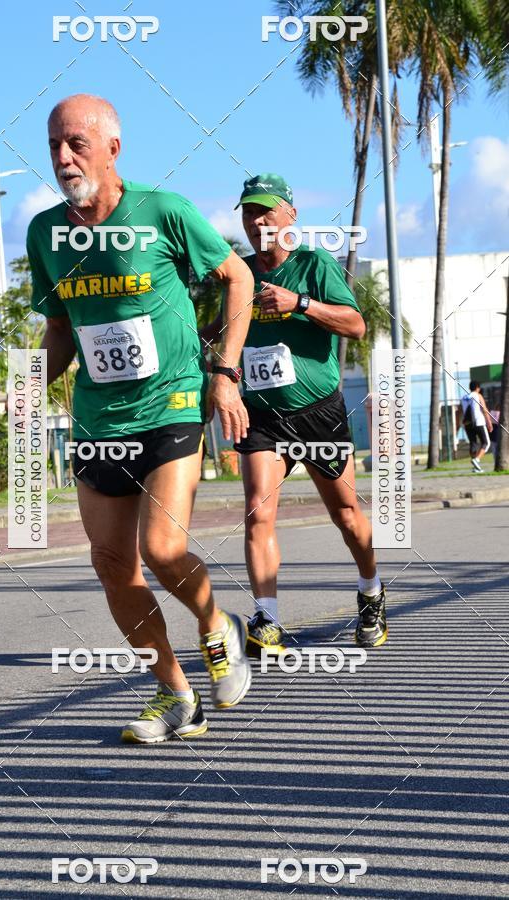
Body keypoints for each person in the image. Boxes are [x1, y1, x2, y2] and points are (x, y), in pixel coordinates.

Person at [27, 94, 254, 744]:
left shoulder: (162, 211)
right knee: (110, 562)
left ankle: (218, 626)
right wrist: (28, 389)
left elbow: (237, 277)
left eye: (76, 143)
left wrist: (225, 373)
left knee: (161, 549)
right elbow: (60, 330)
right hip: (100, 418)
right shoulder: (46, 233)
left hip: (172, 401)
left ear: (112, 148)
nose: (64, 157)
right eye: (54, 145)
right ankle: (176, 694)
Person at [201, 174, 387, 654]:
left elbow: (356, 325)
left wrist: (299, 303)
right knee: (257, 512)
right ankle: (268, 619)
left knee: (346, 515)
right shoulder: (240, 275)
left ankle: (371, 591)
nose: (256, 221)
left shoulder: (313, 263)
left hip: (317, 412)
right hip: (262, 415)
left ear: (290, 215)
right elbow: (220, 330)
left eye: (265, 211)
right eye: (248, 212)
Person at [460, 381, 493, 472]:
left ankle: (476, 467)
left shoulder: (464, 397)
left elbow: (460, 411)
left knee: (473, 443)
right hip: (479, 422)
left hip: (467, 424)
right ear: (478, 388)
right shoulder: (478, 396)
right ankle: (477, 460)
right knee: (486, 443)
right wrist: (489, 422)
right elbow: (484, 409)